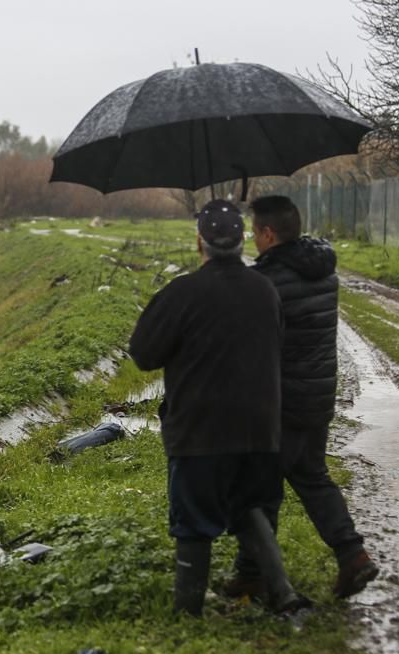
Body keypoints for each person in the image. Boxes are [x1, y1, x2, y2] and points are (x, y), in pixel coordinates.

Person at [128, 199, 305, 616]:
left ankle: (188, 611)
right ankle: (283, 594)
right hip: (260, 430)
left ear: (199, 243)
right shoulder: (265, 289)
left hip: (199, 432)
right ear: (243, 240)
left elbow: (142, 354)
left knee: (193, 521)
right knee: (247, 507)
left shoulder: (182, 293)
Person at [227, 194, 378, 599]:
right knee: (311, 475)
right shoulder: (323, 271)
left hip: (281, 403)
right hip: (317, 396)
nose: (252, 239)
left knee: (260, 488)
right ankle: (353, 556)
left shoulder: (268, 281)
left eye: (254, 231)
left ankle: (251, 574)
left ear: (268, 233)